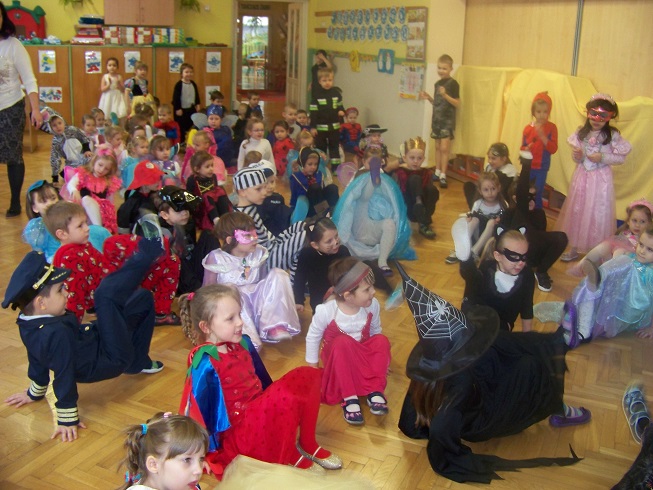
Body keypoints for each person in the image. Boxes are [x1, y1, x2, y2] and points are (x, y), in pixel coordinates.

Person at [394, 262, 590, 484]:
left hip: (477, 386)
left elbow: (410, 417)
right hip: (482, 419)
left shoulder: (430, 368)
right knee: (529, 369)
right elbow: (442, 425)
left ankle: (555, 342)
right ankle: (555, 404)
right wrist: (443, 443)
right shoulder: (459, 387)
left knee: (496, 342)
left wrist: (416, 426)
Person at [2, 241, 164, 442]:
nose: (67, 292)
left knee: (142, 298)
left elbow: (36, 357)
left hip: (97, 343)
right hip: (110, 359)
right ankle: (149, 251)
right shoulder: (55, 333)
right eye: (60, 290)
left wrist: (35, 392)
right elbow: (64, 372)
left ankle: (138, 362)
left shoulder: (28, 322)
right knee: (105, 296)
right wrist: (67, 417)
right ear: (41, 303)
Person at [178, 284, 342, 478]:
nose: (240, 322)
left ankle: (307, 443)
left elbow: (263, 383)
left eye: (239, 314)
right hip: (242, 435)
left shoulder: (243, 343)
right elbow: (196, 410)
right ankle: (288, 453)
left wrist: (279, 408)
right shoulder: (205, 362)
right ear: (206, 327)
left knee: (309, 375)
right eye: (230, 318)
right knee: (287, 393)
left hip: (260, 416)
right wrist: (199, 453)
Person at [306, 258, 391, 425]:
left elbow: (375, 332)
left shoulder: (372, 305)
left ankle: (375, 390)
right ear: (348, 296)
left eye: (372, 287)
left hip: (362, 356)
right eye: (367, 289)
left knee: (381, 340)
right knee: (342, 342)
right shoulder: (327, 311)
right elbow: (313, 336)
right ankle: (349, 397)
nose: (373, 292)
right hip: (339, 361)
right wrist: (312, 366)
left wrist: (381, 361)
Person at [202, 212, 300, 347]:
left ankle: (274, 325)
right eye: (248, 236)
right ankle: (245, 337)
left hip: (256, 303)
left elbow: (264, 282)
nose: (255, 239)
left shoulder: (258, 253)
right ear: (230, 240)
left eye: (255, 234)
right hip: (233, 308)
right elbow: (207, 290)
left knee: (279, 274)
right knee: (231, 289)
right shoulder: (216, 258)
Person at [556, 93, 632, 262]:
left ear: (610, 117)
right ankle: (574, 247)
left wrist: (602, 157)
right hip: (582, 177)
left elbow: (620, 158)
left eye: (603, 116)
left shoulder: (611, 135)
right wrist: (578, 155)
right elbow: (578, 158)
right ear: (588, 113)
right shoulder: (581, 133)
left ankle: (596, 252)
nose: (597, 119)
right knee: (579, 211)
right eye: (594, 114)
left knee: (597, 214)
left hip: (600, 181)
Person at [333, 147, 416, 276]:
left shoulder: (384, 179)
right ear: (363, 161)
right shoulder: (359, 176)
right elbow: (358, 198)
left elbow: (390, 199)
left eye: (376, 164)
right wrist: (372, 179)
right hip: (360, 228)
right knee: (364, 197)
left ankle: (382, 262)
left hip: (374, 227)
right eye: (371, 164)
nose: (373, 167)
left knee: (389, 224)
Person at [564, 225, 653, 344]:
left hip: (631, 311)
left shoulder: (650, 273)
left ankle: (597, 280)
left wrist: (651, 328)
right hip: (617, 298)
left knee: (603, 321)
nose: (642, 251)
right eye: (641, 245)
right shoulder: (631, 257)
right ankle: (597, 278)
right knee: (619, 264)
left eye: (650, 249)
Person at [496, 154, 568, 293]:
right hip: (514, 256)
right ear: (516, 198)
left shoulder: (539, 214)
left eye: (534, 197)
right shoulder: (511, 213)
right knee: (523, 221)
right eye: (527, 197)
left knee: (561, 237)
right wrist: (526, 165)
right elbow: (501, 240)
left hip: (533, 257)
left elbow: (541, 240)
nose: (531, 201)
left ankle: (541, 272)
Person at [0, 1, 42, 217]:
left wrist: (35, 109)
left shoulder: (13, 45)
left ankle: (15, 201)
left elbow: (29, 79)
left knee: (13, 156)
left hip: (10, 108)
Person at [454, 224, 534, 332]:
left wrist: (527, 336)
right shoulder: (487, 268)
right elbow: (471, 294)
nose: (520, 263)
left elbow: (527, 307)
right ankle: (465, 260)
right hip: (478, 317)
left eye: (524, 257)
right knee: (473, 279)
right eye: (514, 257)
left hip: (501, 326)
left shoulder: (527, 276)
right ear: (498, 256)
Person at [233, 166, 306, 280]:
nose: (264, 192)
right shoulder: (242, 219)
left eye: (264, 187)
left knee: (302, 226)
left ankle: (296, 278)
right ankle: (295, 284)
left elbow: (265, 237)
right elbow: (251, 254)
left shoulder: (251, 209)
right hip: (263, 263)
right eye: (258, 189)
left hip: (271, 248)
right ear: (242, 192)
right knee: (303, 237)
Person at [22, 179, 111, 262]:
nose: (50, 203)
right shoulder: (38, 227)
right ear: (34, 208)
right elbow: (39, 254)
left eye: (53, 198)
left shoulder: (68, 214)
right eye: (43, 201)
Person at [120, 412, 208, 490]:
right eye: (187, 460)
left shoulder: (180, 484)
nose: (199, 470)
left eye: (201, 459)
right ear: (154, 464)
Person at [570, 198, 653, 276]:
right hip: (615, 262)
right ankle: (582, 264)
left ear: (649, 223)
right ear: (628, 221)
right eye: (634, 220)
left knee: (620, 251)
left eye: (642, 222)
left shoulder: (647, 238)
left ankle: (605, 275)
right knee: (605, 245)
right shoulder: (625, 234)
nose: (637, 225)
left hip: (634, 264)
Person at [446, 172, 506, 264]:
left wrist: (500, 220)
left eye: (493, 189)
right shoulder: (478, 204)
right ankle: (461, 249)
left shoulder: (502, 204)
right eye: (486, 190)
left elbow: (506, 222)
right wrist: (469, 219)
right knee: (474, 220)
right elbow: (472, 215)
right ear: (480, 191)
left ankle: (474, 252)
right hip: (478, 235)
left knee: (491, 222)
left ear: (499, 188)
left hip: (491, 239)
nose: (490, 193)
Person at [419, 54, 460, 189]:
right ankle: (437, 172)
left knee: (444, 148)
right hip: (437, 120)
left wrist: (445, 95)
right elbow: (437, 103)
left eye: (444, 68)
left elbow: (457, 103)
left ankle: (443, 174)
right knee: (437, 147)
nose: (441, 71)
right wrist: (428, 98)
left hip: (447, 121)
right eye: (439, 68)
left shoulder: (453, 84)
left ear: (450, 69)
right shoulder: (437, 84)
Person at [294, 217, 351, 312]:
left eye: (336, 236)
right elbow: (300, 278)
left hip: (342, 300)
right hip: (319, 303)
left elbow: (352, 275)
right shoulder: (307, 255)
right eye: (329, 241)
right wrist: (298, 300)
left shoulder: (343, 252)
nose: (336, 242)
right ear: (315, 245)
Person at [64, 147, 122, 234]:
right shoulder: (84, 174)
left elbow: (110, 202)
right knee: (71, 204)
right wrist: (74, 190)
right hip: (81, 208)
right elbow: (71, 184)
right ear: (94, 161)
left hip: (99, 213)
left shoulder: (109, 182)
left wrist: (111, 218)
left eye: (106, 169)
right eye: (100, 165)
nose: (101, 170)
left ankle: (98, 230)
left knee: (87, 200)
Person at [394, 136, 438, 239]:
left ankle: (424, 222)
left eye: (419, 158)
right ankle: (418, 203)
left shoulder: (426, 173)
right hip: (408, 205)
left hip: (424, 210)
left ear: (423, 159)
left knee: (432, 189)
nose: (415, 161)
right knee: (415, 178)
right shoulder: (400, 172)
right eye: (412, 158)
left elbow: (430, 193)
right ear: (405, 158)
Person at [521, 92, 558, 208]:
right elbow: (522, 147)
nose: (542, 115)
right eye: (538, 111)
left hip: (541, 168)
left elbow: (553, 149)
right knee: (524, 191)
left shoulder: (552, 127)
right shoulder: (528, 128)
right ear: (533, 112)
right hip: (527, 166)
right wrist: (526, 148)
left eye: (545, 112)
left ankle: (537, 214)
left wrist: (543, 137)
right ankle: (524, 213)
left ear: (549, 112)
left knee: (536, 193)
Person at [185, 151, 231, 231]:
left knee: (220, 191)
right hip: (201, 208)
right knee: (207, 195)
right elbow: (189, 197)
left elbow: (216, 192)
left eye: (212, 165)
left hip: (214, 205)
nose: (211, 169)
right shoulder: (192, 180)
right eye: (207, 167)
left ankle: (226, 218)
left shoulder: (213, 177)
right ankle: (216, 221)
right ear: (197, 169)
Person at [463, 142, 517, 210]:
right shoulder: (489, 167)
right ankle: (476, 210)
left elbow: (497, 190)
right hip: (487, 195)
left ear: (504, 158)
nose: (490, 161)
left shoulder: (509, 171)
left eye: (493, 158)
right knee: (469, 185)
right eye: (489, 158)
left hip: (499, 200)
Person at [310, 67, 345, 169]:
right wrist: (313, 127)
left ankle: (336, 168)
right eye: (324, 80)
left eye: (330, 80)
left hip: (334, 127)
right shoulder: (316, 95)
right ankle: (321, 167)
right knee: (321, 148)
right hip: (320, 128)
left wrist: (341, 110)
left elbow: (340, 106)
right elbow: (313, 113)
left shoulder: (336, 93)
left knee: (334, 147)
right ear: (320, 81)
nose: (327, 83)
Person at [290, 147, 339, 218]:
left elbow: (322, 193)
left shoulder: (319, 174)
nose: (313, 167)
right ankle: (323, 215)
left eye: (315, 164)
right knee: (315, 187)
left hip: (320, 204)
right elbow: (297, 198)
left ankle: (334, 212)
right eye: (310, 164)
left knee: (332, 188)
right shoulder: (296, 177)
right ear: (302, 164)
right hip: (307, 208)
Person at [117, 160, 164, 234]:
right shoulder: (130, 204)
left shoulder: (159, 197)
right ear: (143, 182)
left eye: (158, 178)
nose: (157, 182)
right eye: (152, 179)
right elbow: (123, 232)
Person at [47, 114, 93, 184]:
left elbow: (83, 137)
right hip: (71, 163)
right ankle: (65, 173)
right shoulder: (56, 142)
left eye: (59, 123)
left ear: (63, 122)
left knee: (93, 166)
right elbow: (55, 159)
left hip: (84, 156)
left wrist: (87, 150)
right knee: (75, 179)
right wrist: (55, 178)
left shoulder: (72, 130)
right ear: (51, 128)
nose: (58, 127)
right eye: (54, 125)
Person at [172, 63, 200, 141]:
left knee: (191, 125)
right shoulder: (179, 85)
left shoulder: (193, 84)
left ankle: (190, 140)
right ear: (182, 73)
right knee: (181, 126)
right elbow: (176, 98)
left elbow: (196, 95)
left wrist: (197, 104)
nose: (189, 74)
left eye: (191, 72)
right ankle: (181, 141)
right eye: (186, 72)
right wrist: (177, 108)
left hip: (191, 108)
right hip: (181, 110)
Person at [205, 105, 234, 173]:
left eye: (216, 119)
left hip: (227, 158)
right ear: (207, 119)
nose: (213, 121)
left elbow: (230, 144)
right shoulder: (205, 130)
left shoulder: (226, 129)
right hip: (211, 159)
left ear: (221, 120)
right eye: (211, 119)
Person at [98, 57, 128, 122]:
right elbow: (102, 89)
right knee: (107, 112)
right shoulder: (105, 76)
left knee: (117, 112)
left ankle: (117, 124)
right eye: (110, 65)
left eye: (114, 65)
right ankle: (108, 125)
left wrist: (118, 83)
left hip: (117, 96)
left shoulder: (119, 77)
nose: (112, 67)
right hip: (108, 96)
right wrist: (108, 85)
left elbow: (123, 90)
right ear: (107, 67)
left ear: (117, 67)